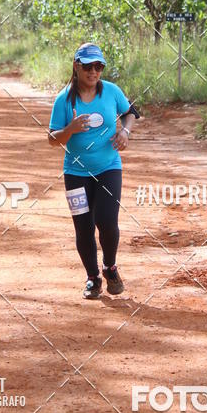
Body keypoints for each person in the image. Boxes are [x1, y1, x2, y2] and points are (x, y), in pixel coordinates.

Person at [48, 42, 139, 300]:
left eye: (99, 66)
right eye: (88, 66)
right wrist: (70, 130)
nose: (94, 72)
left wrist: (125, 131)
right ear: (77, 66)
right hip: (75, 173)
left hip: (109, 167)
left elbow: (131, 112)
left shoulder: (111, 91)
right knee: (84, 228)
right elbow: (52, 139)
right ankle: (92, 278)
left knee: (107, 222)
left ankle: (110, 268)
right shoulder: (64, 100)